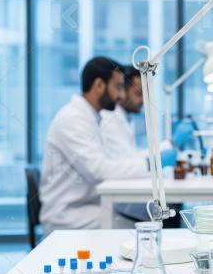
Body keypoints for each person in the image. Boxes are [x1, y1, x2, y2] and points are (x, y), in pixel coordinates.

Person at [39, 57, 176, 234]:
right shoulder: (73, 120)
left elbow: (113, 161)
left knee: (147, 225)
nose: (121, 95)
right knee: (141, 234)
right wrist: (151, 164)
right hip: (69, 214)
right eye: (118, 87)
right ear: (99, 85)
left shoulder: (92, 118)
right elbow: (99, 170)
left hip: (88, 206)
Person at [99, 65, 193, 227]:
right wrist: (165, 150)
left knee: (173, 204)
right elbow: (127, 161)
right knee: (171, 207)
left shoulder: (125, 119)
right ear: (123, 91)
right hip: (119, 202)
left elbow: (132, 156)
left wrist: (167, 147)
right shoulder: (110, 119)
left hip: (127, 190)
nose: (143, 100)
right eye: (138, 94)